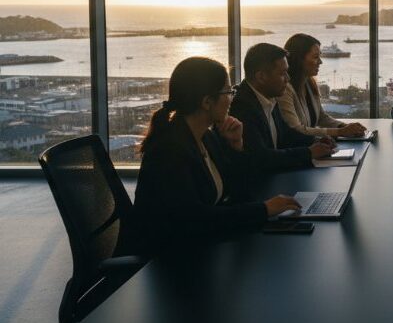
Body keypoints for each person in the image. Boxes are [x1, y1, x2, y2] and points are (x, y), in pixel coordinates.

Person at [122, 56, 302, 255]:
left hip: (200, 248)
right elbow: (196, 218)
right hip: (168, 261)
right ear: (207, 102)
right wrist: (264, 210)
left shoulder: (206, 137)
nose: (231, 98)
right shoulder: (169, 150)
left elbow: (240, 192)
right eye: (228, 92)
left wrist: (236, 147)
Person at [230, 43, 334, 171]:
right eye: (282, 74)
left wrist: (315, 140)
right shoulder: (242, 107)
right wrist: (309, 152)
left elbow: (285, 133)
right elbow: (261, 157)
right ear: (261, 77)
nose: (288, 78)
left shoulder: (268, 96)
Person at [280, 33, 367, 138]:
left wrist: (345, 127)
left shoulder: (309, 83)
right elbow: (296, 130)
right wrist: (340, 132)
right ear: (299, 59)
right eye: (316, 57)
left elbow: (321, 117)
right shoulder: (285, 89)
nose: (320, 62)